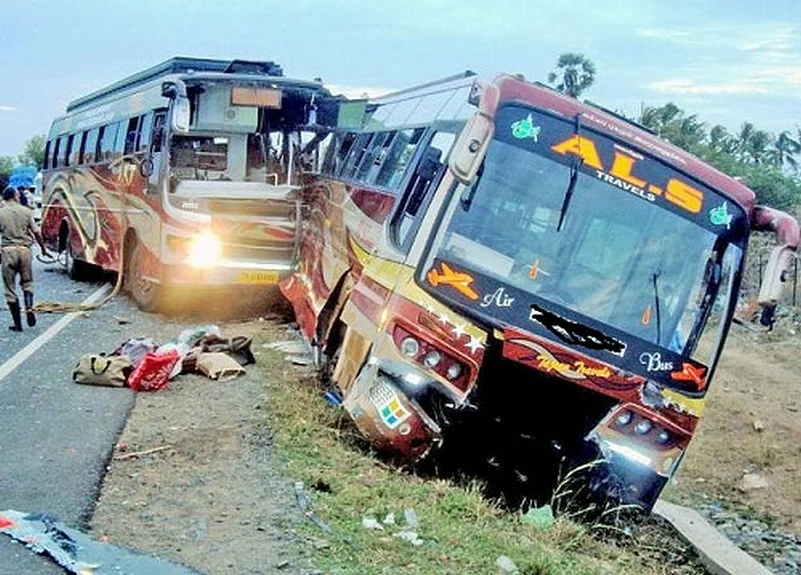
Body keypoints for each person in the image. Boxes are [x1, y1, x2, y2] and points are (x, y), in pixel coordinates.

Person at [0, 186, 51, 331]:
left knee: (10, 288)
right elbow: (36, 232)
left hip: (8, 251)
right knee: (27, 283)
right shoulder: (27, 211)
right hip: (25, 251)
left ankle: (17, 324)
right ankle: (29, 308)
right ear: (15, 196)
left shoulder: (1, 212)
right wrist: (43, 248)